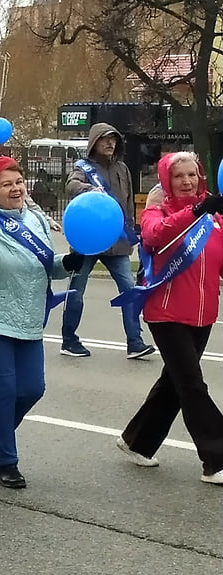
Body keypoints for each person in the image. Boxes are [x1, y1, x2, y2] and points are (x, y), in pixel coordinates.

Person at [0, 140, 81, 489]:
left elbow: (46, 267)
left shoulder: (37, 219)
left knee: (33, 389)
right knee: (5, 389)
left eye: (19, 181)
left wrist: (67, 264)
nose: (16, 188)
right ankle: (6, 460)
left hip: (27, 319)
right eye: (6, 184)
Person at [116, 152, 223, 485]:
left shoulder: (215, 216)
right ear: (167, 181)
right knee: (191, 384)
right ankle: (216, 458)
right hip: (166, 313)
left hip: (204, 313)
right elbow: (154, 236)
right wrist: (195, 211)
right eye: (179, 176)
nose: (187, 182)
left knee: (173, 384)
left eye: (192, 175)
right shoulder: (156, 211)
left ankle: (137, 441)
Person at [62, 122, 155, 359]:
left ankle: (135, 342)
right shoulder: (83, 167)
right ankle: (69, 339)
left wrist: (133, 228)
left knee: (129, 291)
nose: (110, 143)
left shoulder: (122, 168)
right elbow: (70, 185)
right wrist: (89, 189)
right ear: (94, 142)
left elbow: (128, 202)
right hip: (88, 240)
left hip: (118, 242)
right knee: (76, 292)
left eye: (113, 139)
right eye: (105, 139)